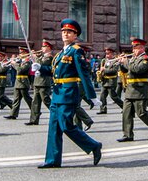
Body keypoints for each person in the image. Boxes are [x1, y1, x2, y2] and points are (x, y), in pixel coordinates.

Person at [38, 18, 102, 169]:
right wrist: (40, 68)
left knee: (66, 126)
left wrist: (92, 96)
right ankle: (52, 160)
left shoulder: (76, 51)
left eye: (69, 32)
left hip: (68, 93)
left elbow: (83, 74)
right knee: (54, 128)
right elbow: (54, 71)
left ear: (75, 35)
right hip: (57, 94)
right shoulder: (60, 53)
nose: (66, 34)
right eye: (64, 32)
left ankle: (93, 145)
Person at [115, 37, 148, 142]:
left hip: (140, 90)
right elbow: (126, 70)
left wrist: (126, 62)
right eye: (133, 48)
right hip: (130, 89)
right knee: (126, 113)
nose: (133, 50)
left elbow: (137, 70)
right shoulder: (133, 59)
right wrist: (121, 63)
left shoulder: (146, 59)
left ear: (142, 48)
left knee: (141, 113)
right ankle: (127, 135)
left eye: (135, 48)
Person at [28, 41, 54, 125]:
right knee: (35, 102)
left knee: (46, 100)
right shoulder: (42, 56)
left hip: (44, 82)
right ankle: (33, 120)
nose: (42, 48)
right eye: (42, 47)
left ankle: (57, 114)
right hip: (37, 81)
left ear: (49, 48)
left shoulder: (49, 57)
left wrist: (35, 57)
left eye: (44, 47)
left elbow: (41, 64)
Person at [5, 47, 33, 119]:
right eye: (20, 53)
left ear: (26, 53)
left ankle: (35, 111)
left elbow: (20, 70)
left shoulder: (28, 62)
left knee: (27, 99)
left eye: (22, 53)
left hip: (23, 82)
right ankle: (13, 114)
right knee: (16, 99)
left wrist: (14, 64)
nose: (20, 54)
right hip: (18, 82)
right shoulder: (20, 61)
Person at [97, 47, 124, 114]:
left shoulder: (115, 61)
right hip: (104, 81)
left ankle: (124, 107)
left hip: (111, 81)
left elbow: (114, 70)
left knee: (113, 96)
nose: (107, 55)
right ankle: (103, 109)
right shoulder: (104, 60)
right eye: (106, 53)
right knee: (102, 96)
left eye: (108, 54)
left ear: (112, 54)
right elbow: (101, 68)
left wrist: (104, 70)